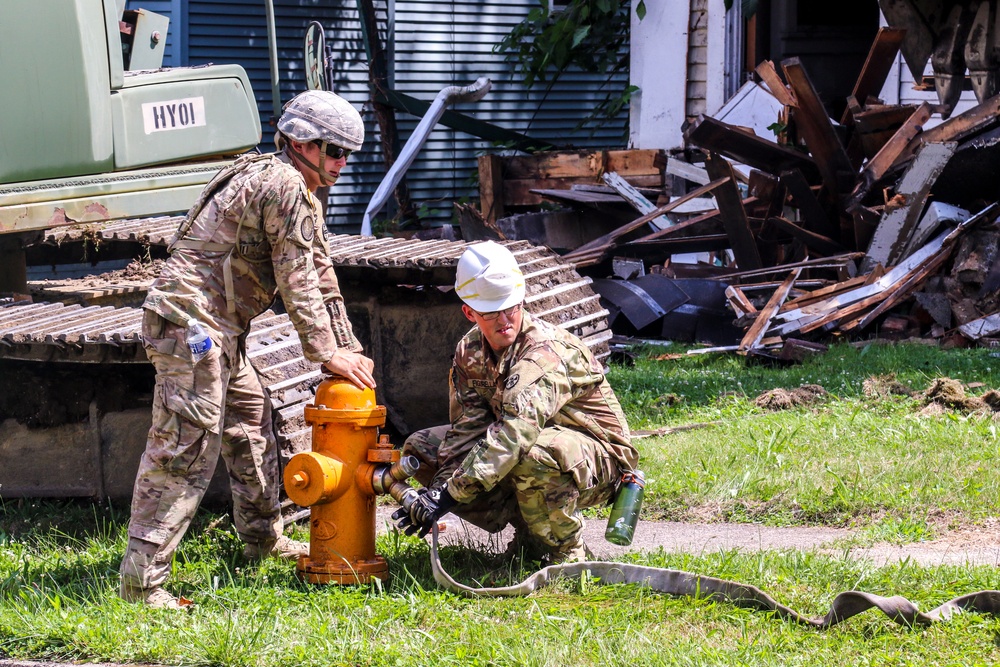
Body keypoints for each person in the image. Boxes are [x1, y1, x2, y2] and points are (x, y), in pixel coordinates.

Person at [119, 90, 376, 609]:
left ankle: (261, 541)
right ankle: (141, 583)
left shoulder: (289, 182)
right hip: (194, 327)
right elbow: (297, 278)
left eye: (347, 154)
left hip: (217, 330)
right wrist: (325, 353)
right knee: (183, 450)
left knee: (250, 423)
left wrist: (349, 347)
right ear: (302, 143)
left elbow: (320, 271)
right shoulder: (284, 184)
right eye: (335, 152)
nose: (342, 164)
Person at [393, 241, 638, 564]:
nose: (505, 320)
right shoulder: (470, 352)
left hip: (599, 461)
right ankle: (530, 533)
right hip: (535, 449)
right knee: (422, 447)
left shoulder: (544, 354)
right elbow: (466, 431)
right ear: (469, 312)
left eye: (512, 307)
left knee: (530, 455)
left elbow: (515, 434)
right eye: (492, 312)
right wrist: (437, 494)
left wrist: (452, 493)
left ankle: (567, 554)